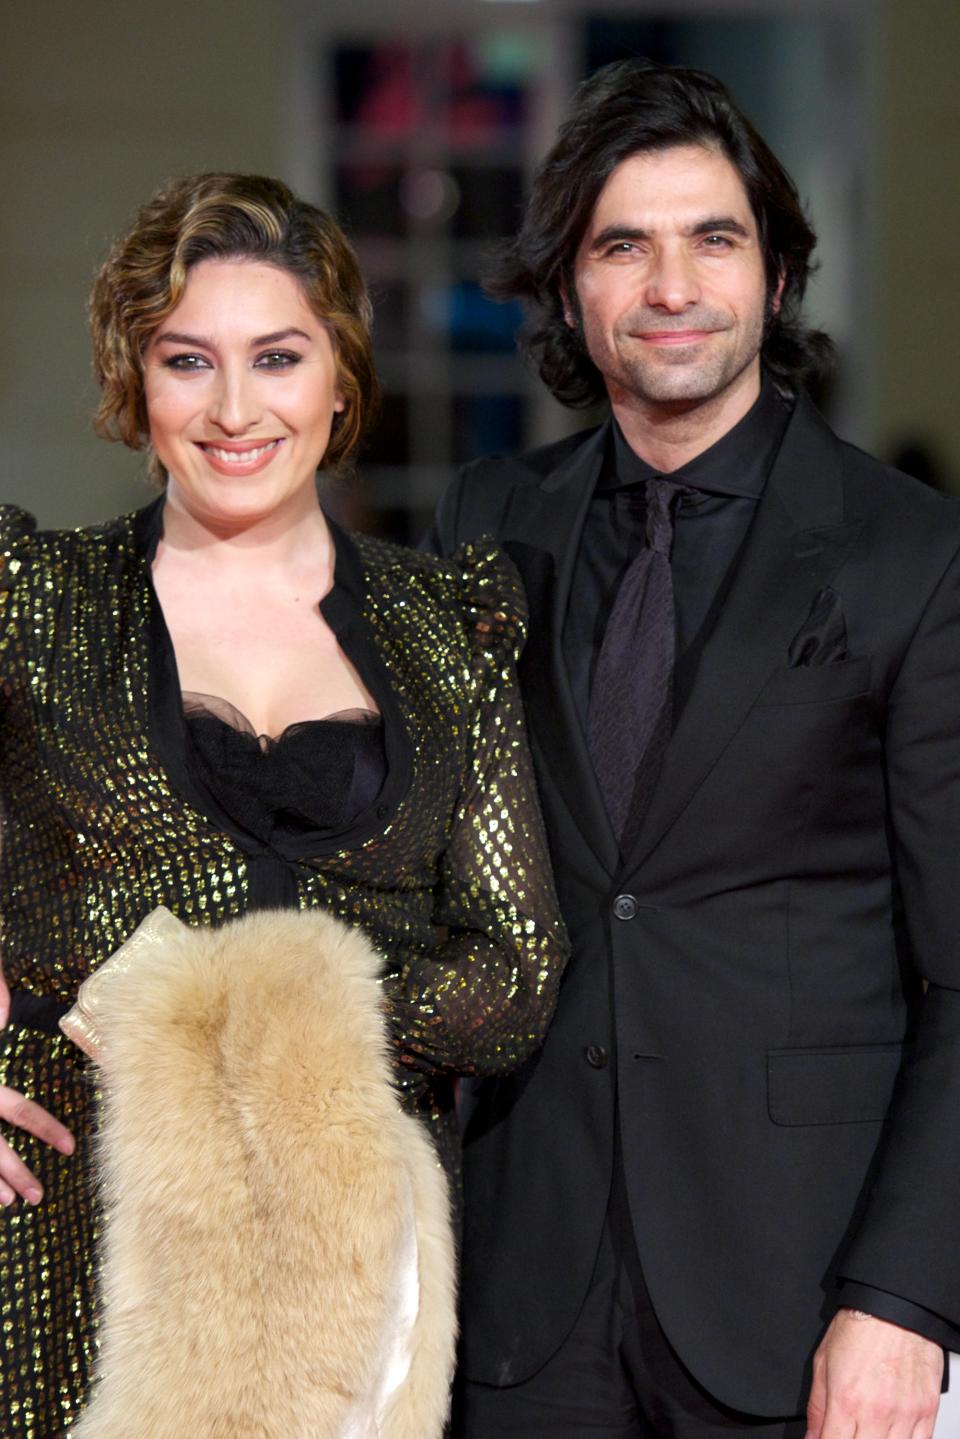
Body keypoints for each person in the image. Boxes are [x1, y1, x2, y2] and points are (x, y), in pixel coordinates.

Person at [428, 58, 960, 1439]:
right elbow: (370, 839)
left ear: (778, 278)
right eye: (624, 245)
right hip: (521, 1285)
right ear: (568, 287)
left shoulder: (914, 554)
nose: (672, 285)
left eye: (713, 239)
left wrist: (904, 1297)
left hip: (797, 1291)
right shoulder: (485, 521)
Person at [0, 171, 568, 1435]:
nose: (238, 407)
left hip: (352, 1281)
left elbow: (517, 965)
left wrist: (278, 1027)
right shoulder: (33, 604)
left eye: (280, 355)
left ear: (340, 380)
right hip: (64, 1254)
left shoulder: (445, 628)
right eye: (188, 360)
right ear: (135, 384)